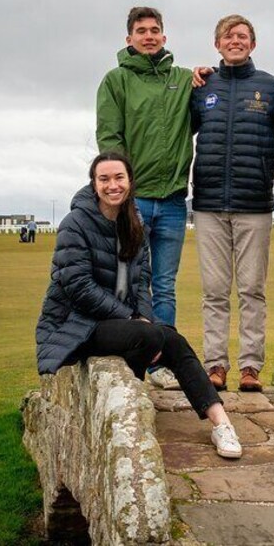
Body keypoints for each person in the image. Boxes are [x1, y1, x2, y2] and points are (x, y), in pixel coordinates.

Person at [35, 152, 242, 458]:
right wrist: (134, 319)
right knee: (149, 335)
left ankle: (221, 423)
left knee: (172, 339)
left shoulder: (134, 221)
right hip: (76, 325)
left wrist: (142, 317)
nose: (112, 185)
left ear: (130, 182)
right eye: (104, 179)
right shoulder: (74, 224)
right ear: (94, 184)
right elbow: (79, 288)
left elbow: (142, 280)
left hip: (120, 322)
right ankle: (129, 407)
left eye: (119, 177)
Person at [96, 7, 195, 390]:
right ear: (129, 39)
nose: (149, 36)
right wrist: (123, 191)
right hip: (134, 201)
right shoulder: (116, 81)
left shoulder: (183, 79)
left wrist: (204, 74)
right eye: (141, 31)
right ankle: (133, 353)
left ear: (164, 38)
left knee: (165, 284)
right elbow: (110, 138)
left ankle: (161, 363)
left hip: (172, 200)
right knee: (131, 283)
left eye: (155, 30)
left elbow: (208, 98)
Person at [190, 14, 274, 392]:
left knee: (251, 290)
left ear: (252, 44)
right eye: (228, 36)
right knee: (214, 291)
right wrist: (191, 74)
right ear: (217, 44)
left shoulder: (271, 87)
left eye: (242, 36)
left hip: (255, 204)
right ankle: (215, 365)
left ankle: (250, 367)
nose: (235, 41)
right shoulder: (201, 85)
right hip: (209, 202)